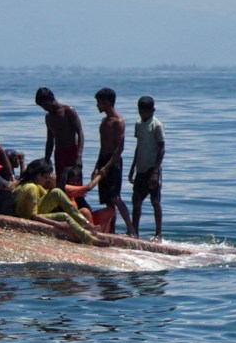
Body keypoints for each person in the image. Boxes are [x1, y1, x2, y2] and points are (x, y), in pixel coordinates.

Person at [88, 87, 135, 235]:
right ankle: (111, 230)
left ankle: (131, 229)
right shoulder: (103, 121)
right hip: (103, 160)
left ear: (107, 102)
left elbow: (119, 148)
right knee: (108, 200)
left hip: (113, 162)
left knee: (115, 197)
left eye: (99, 102)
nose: (97, 105)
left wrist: (107, 167)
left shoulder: (118, 122)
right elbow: (102, 147)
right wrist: (97, 167)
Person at [128, 94, 165, 239]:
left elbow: (161, 148)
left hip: (152, 169)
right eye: (140, 110)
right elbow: (138, 146)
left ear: (152, 110)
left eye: (145, 111)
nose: (142, 113)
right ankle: (134, 232)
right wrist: (132, 167)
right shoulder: (138, 124)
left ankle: (158, 234)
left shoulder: (157, 125)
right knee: (136, 200)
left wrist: (155, 171)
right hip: (141, 168)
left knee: (155, 201)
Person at [36, 87, 85, 185]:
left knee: (74, 183)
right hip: (59, 153)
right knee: (60, 183)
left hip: (72, 151)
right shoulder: (48, 117)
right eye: (42, 106)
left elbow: (80, 133)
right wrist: (46, 159)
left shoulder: (68, 111)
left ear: (51, 99)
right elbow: (50, 140)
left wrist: (79, 156)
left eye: (45, 105)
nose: (44, 108)